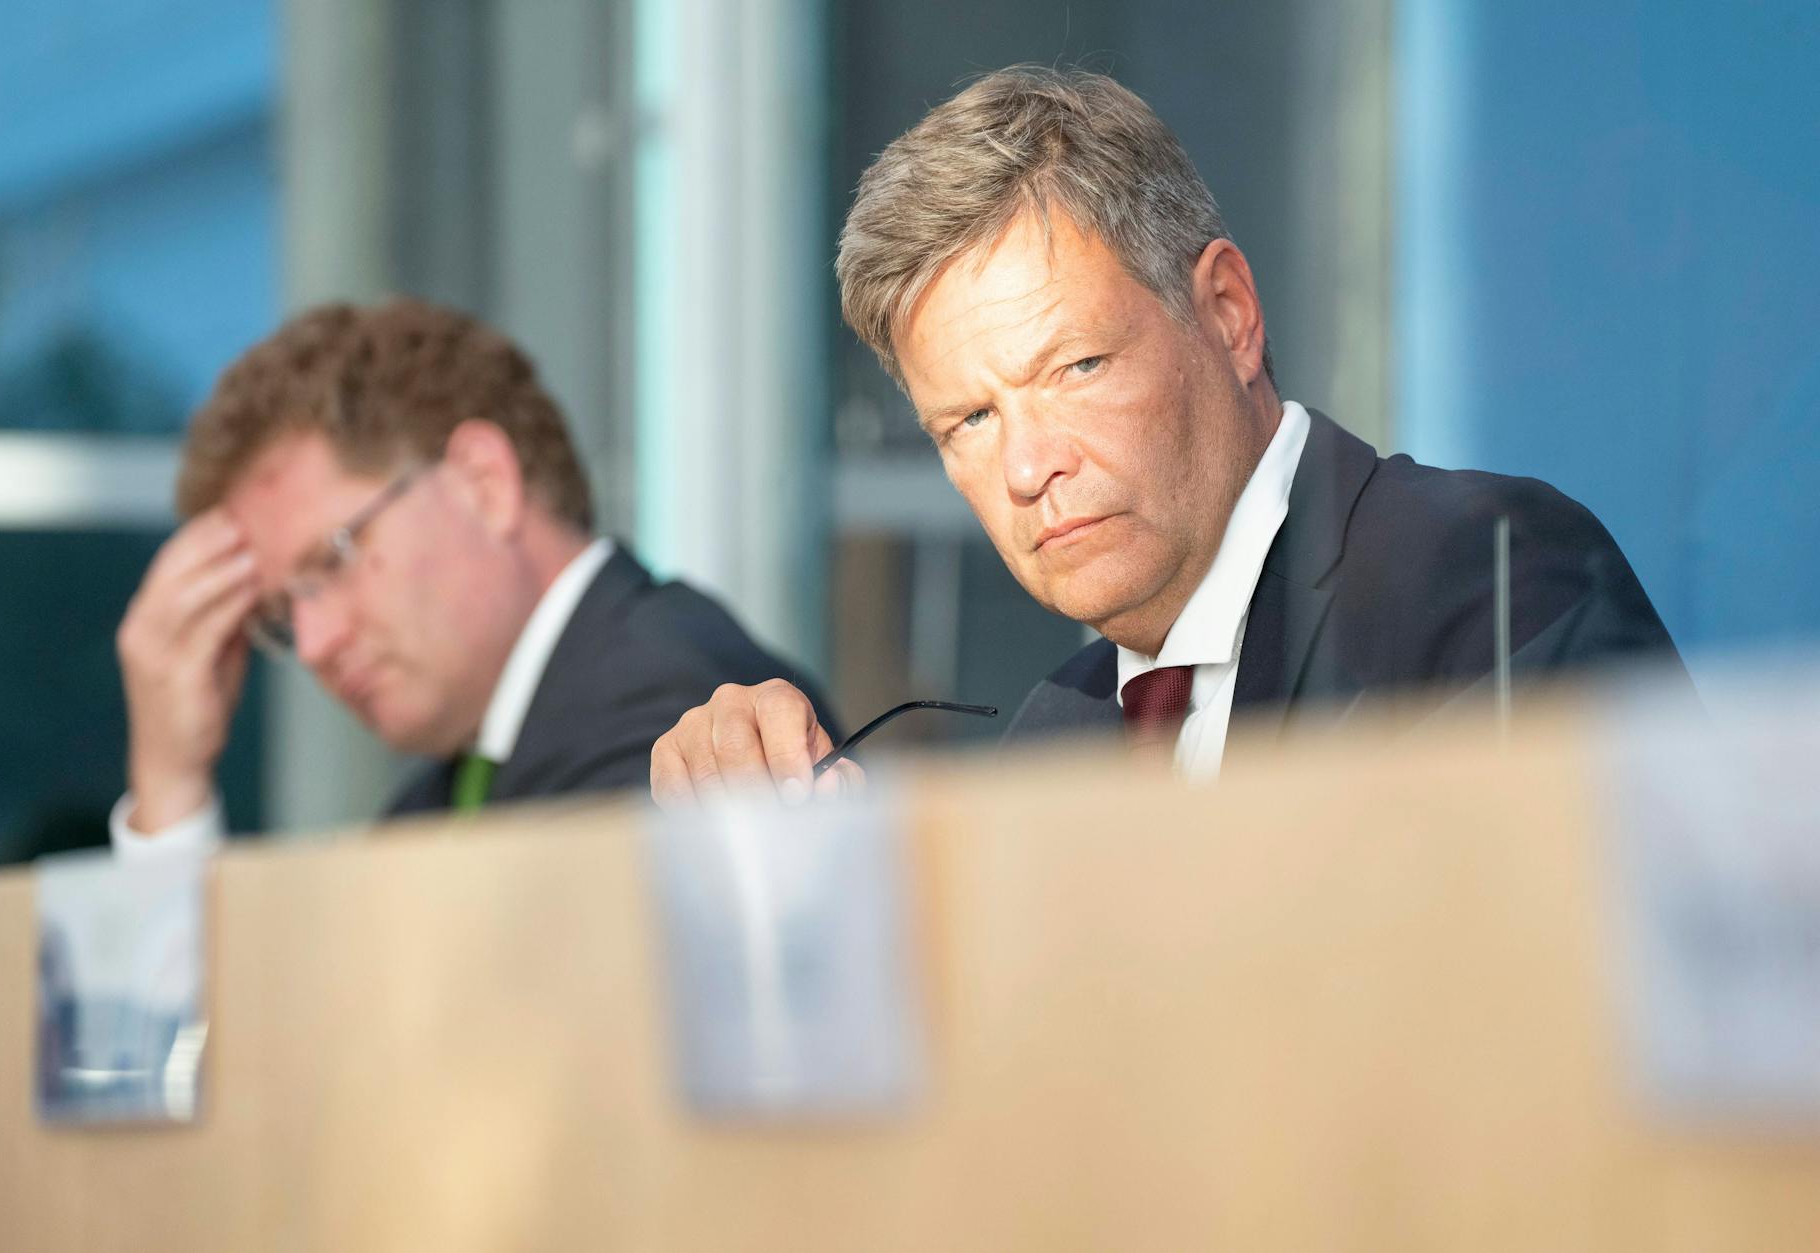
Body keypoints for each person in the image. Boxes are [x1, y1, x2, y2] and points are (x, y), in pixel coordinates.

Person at [649, 66, 1681, 800]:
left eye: (1075, 367)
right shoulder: (1052, 741)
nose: (1026, 466)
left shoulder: (1478, 576)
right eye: (970, 418)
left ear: (1228, 315)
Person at [113, 298, 835, 852]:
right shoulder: (446, 795)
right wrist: (170, 780)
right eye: (279, 614)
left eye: (332, 559)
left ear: (483, 483)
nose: (313, 643)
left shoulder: (669, 719)